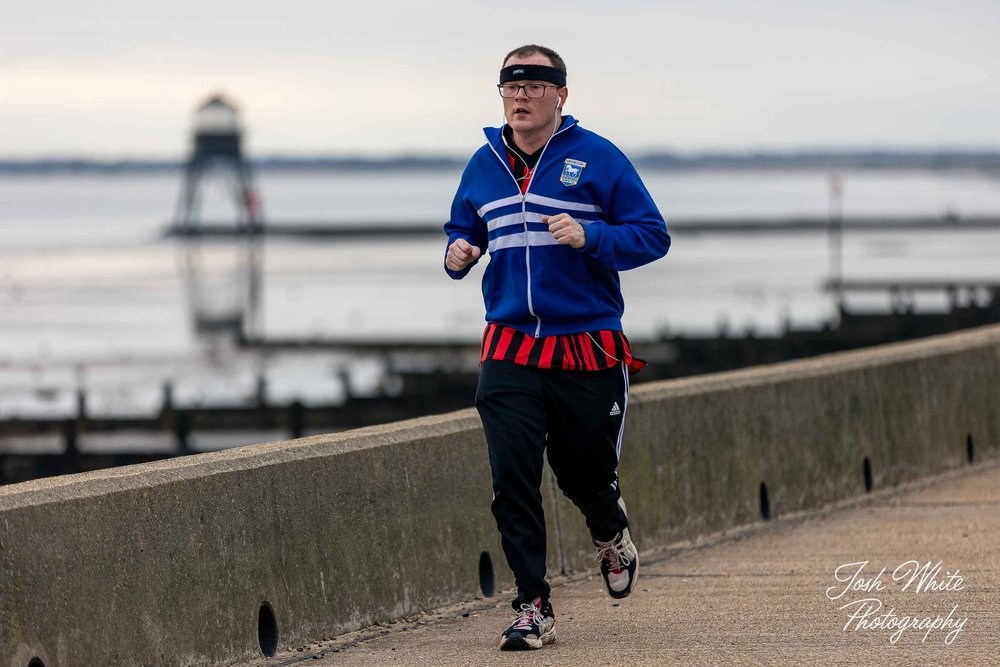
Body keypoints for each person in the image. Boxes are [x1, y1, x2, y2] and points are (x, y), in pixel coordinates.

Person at [443, 44, 670, 651]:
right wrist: (457, 254)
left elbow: (653, 235)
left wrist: (591, 235)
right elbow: (462, 230)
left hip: (584, 347)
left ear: (560, 95)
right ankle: (532, 604)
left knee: (582, 472)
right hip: (510, 349)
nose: (520, 96)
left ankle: (609, 531)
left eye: (534, 87)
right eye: (510, 87)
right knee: (511, 476)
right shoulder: (483, 164)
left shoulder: (597, 158)